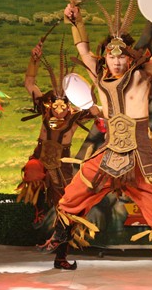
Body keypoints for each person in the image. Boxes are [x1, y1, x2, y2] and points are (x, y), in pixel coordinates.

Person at [39, 0, 152, 290]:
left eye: (123, 56)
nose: (118, 62)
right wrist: (75, 20)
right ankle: (60, 238)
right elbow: (83, 50)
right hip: (110, 155)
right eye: (112, 57)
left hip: (139, 159)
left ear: (130, 57)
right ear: (106, 59)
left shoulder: (141, 75)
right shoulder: (99, 77)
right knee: (73, 193)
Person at [17, 36, 97, 270]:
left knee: (67, 210)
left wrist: (98, 80)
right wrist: (34, 60)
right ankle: (39, 209)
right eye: (55, 104)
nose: (59, 108)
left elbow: (97, 109)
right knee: (32, 170)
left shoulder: (76, 116)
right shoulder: (45, 112)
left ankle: (61, 256)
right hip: (41, 160)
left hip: (62, 169)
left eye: (64, 104)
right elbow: (29, 83)